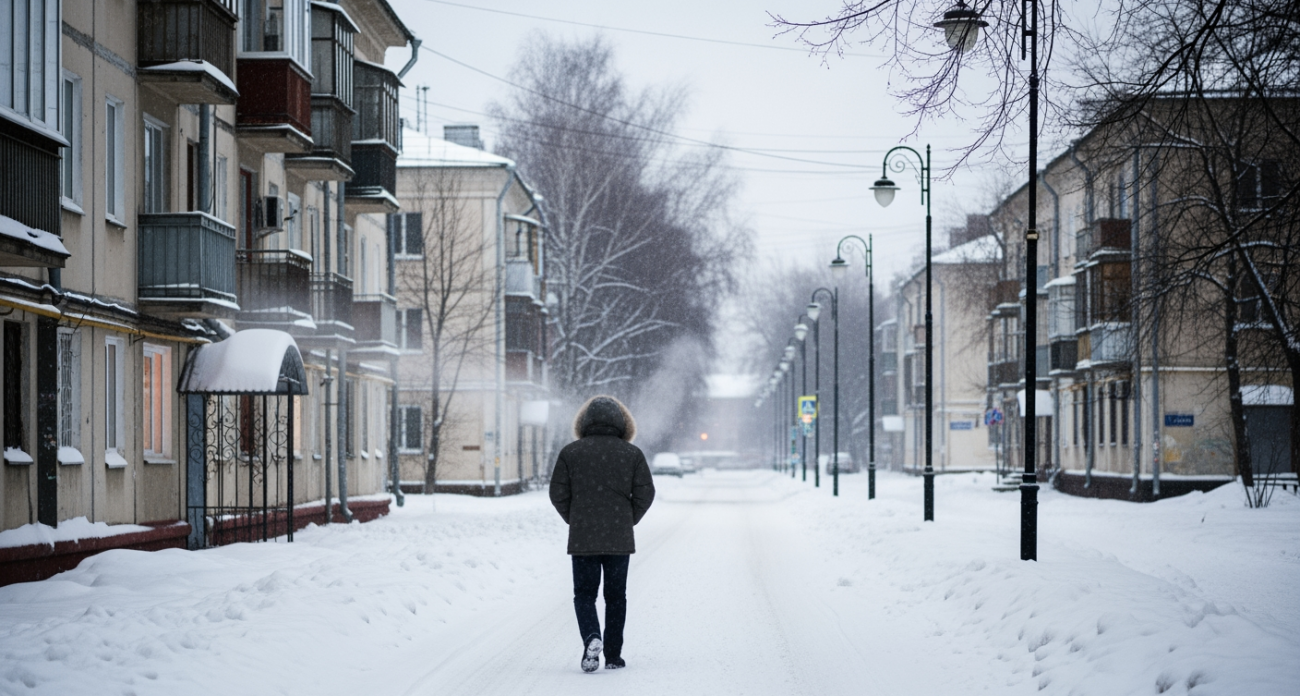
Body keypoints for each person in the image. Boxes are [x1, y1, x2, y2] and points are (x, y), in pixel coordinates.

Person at [549, 395, 655, 673]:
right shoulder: (632, 454)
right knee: (616, 597)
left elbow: (557, 493)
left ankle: (591, 637)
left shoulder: (571, 453)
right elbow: (646, 493)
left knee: (584, 595)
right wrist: (626, 520)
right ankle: (614, 656)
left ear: (584, 422)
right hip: (619, 539)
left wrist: (576, 519)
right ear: (623, 423)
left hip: (583, 538)